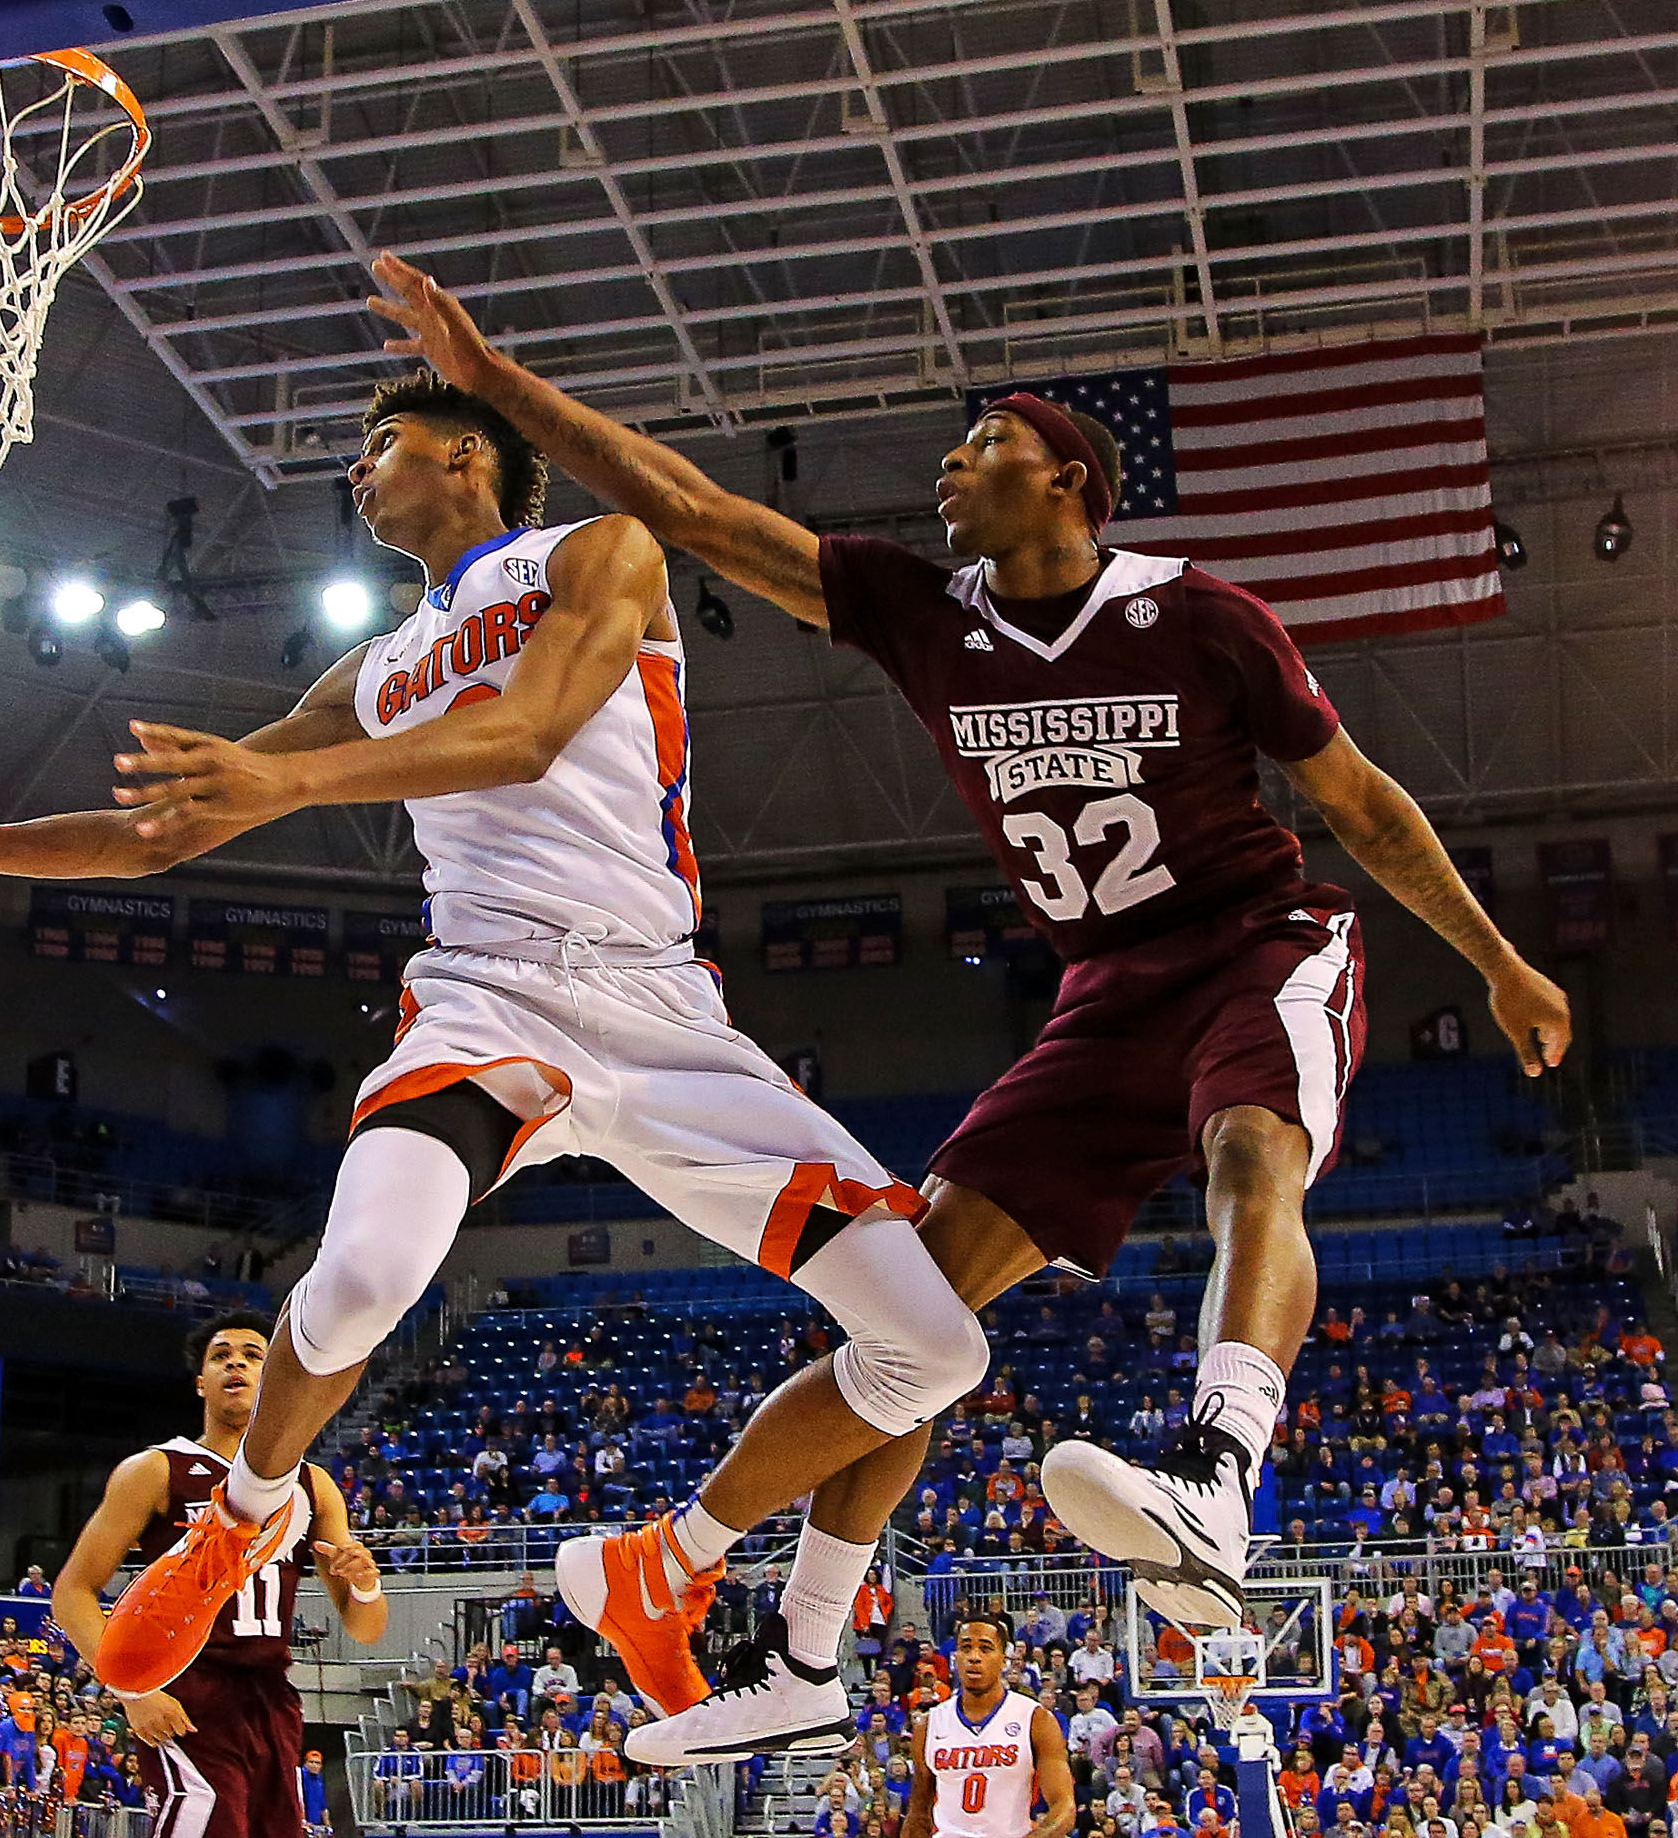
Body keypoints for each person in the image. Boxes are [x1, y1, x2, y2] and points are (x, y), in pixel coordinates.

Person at [368, 252, 1573, 1744]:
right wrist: (498, 385)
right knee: (913, 1317)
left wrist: (1495, 958)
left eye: (983, 442)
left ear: (1065, 478)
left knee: (1253, 1153)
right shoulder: (928, 613)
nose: (950, 462)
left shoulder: (1203, 618)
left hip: (1259, 943)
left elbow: (1367, 806)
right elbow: (691, 511)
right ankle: (783, 1647)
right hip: (1099, 997)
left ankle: (1217, 1470)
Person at [0, 365, 981, 1744]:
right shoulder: (373, 669)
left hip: (658, 1011)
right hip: (481, 1000)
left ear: (468, 458)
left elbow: (531, 735)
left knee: (934, 1348)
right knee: (356, 1283)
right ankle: (244, 1518)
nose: (357, 473)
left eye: (381, 442)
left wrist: (288, 777)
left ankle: (671, 1563)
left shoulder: (602, 551)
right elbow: (164, 833)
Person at [51, 1312, 390, 1838]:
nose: (237, 1362)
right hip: (187, 1687)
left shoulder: (313, 1484)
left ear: (274, 1376)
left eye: (254, 1355)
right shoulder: (158, 1469)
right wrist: (134, 1692)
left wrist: (364, 1581)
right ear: (201, 1383)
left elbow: (366, 1628)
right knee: (206, 1820)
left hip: (272, 1695)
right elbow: (72, 1591)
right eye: (221, 1355)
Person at [906, 1611, 1071, 1838]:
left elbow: (1064, 1805)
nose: (974, 1657)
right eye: (966, 1648)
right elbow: (918, 1813)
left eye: (985, 1648)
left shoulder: (1035, 1719)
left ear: (1003, 1659)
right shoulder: (929, 1724)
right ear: (956, 1658)